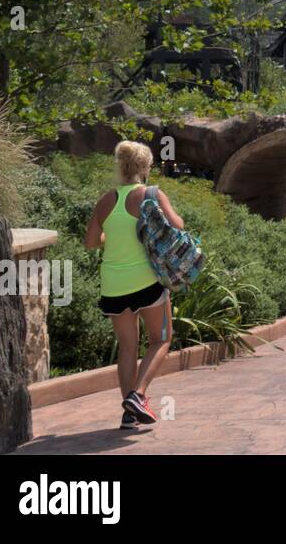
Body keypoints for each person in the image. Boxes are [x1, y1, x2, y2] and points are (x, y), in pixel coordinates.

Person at [83, 140, 176, 430]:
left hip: (113, 284)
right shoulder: (152, 194)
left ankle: (128, 413)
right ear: (145, 167)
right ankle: (138, 396)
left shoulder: (105, 200)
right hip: (146, 280)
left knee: (127, 347)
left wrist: (114, 238)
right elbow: (178, 226)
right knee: (161, 338)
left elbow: (90, 243)